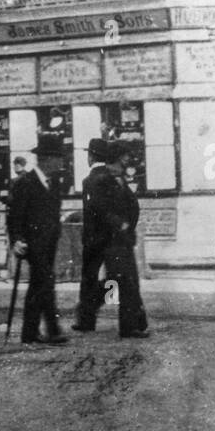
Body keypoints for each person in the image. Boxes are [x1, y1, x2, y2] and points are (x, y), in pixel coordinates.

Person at [73, 140, 149, 339]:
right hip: (109, 239)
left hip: (121, 238)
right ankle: (129, 323)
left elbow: (131, 205)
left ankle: (129, 322)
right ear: (116, 157)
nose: (128, 159)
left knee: (124, 279)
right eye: (125, 155)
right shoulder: (101, 179)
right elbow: (101, 208)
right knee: (121, 280)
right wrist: (120, 224)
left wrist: (129, 227)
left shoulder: (119, 178)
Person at [7, 137, 68, 346]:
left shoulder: (54, 183)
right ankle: (51, 329)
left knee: (39, 285)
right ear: (46, 160)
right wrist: (16, 239)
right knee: (45, 282)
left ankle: (31, 332)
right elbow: (15, 215)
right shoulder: (25, 183)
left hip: (49, 241)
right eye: (58, 158)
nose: (61, 163)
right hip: (33, 243)